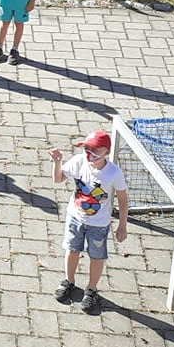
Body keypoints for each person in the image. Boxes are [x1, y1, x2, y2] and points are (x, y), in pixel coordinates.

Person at [50, 130, 128, 314]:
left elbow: (123, 200)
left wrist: (122, 225)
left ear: (106, 153)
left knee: (97, 256)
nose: (89, 155)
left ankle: (91, 289)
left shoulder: (113, 173)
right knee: (72, 250)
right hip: (75, 217)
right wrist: (57, 162)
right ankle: (68, 281)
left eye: (94, 151)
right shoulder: (79, 162)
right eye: (86, 150)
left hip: (98, 224)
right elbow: (58, 178)